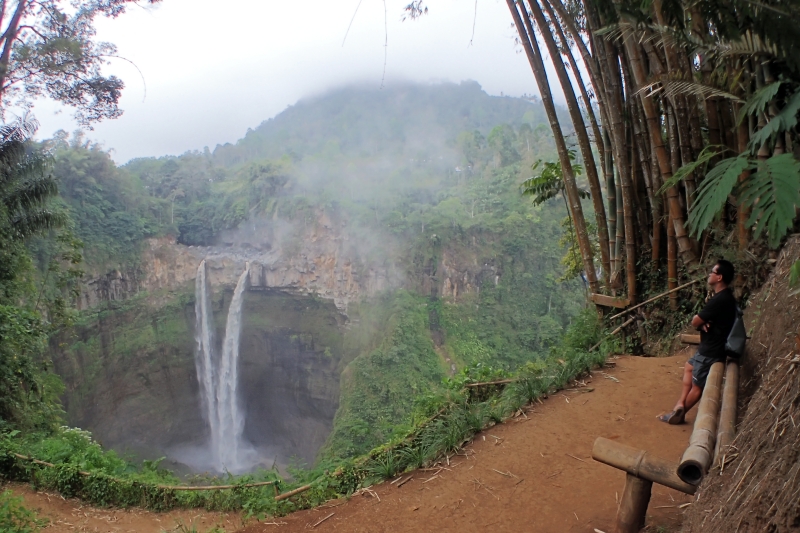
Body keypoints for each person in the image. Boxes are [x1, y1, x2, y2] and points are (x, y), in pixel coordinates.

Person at [658, 259, 737, 425]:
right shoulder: (726, 297)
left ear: (719, 277)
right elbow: (704, 321)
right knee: (689, 367)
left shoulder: (719, 300)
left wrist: (700, 322)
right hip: (710, 347)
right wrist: (703, 323)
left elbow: (695, 321)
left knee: (697, 386)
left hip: (712, 350)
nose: (709, 274)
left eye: (712, 272)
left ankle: (678, 414)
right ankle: (680, 404)